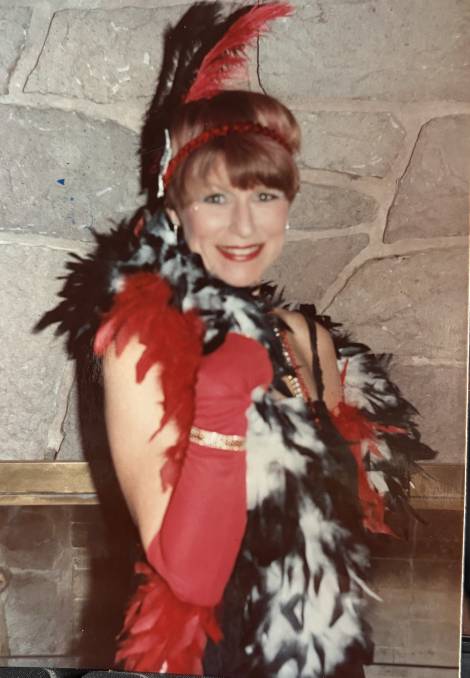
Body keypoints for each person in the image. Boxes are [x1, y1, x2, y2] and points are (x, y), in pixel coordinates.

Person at [38, 3, 435, 677]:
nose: (244, 225)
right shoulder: (142, 343)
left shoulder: (309, 342)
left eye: (265, 196)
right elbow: (191, 578)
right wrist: (222, 401)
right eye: (216, 198)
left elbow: (333, 542)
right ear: (174, 206)